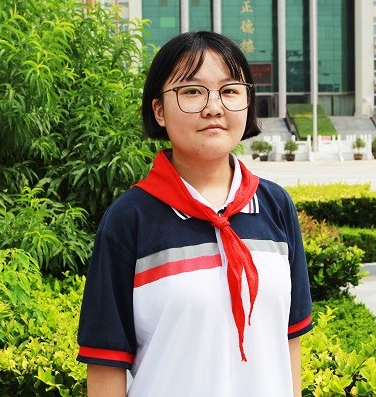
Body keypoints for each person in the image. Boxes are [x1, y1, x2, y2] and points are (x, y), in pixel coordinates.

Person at [76, 31, 313, 397]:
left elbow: (290, 340)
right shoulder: (130, 219)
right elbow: (106, 362)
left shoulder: (275, 206)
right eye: (191, 91)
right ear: (159, 110)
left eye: (230, 91)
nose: (213, 107)